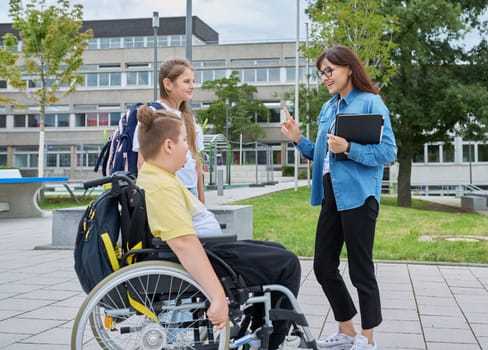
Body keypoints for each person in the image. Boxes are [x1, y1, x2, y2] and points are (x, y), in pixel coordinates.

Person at [135, 105, 302, 350]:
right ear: (169, 145)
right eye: (184, 140)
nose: (188, 149)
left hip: (212, 250)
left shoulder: (158, 175)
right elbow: (183, 243)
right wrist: (217, 298)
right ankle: (269, 344)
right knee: (287, 263)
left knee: (275, 251)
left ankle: (258, 332)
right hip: (210, 255)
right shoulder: (161, 185)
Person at [280, 45, 397, 350]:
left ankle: (368, 338)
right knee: (322, 265)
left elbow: (388, 152)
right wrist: (297, 138)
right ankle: (346, 330)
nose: (325, 77)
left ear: (348, 68)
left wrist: (349, 148)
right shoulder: (328, 108)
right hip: (331, 193)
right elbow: (320, 155)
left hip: (359, 196)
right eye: (321, 73)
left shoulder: (371, 103)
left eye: (329, 70)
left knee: (361, 268)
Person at [133, 57, 206, 203]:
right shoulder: (153, 114)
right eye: (186, 81)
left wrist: (201, 200)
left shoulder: (189, 119)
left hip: (190, 190)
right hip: (165, 192)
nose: (192, 86)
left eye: (193, 81)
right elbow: (142, 163)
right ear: (168, 84)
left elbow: (196, 163)